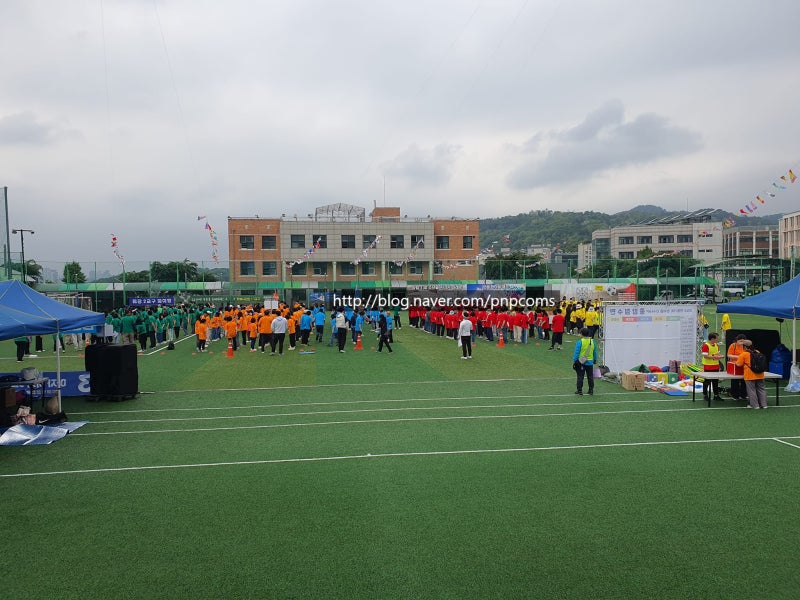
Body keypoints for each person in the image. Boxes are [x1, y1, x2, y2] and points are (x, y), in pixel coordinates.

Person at [736, 340, 767, 409]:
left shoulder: (744, 354)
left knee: (751, 390)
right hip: (760, 374)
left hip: (749, 375)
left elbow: (738, 364)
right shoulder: (757, 352)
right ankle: (764, 404)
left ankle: (755, 405)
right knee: (761, 389)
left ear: (745, 347)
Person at [572, 327, 598, 395]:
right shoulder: (593, 341)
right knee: (590, 377)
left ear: (581, 334)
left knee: (580, 376)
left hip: (581, 362)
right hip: (590, 362)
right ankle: (591, 390)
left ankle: (579, 390)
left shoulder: (580, 342)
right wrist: (595, 359)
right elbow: (595, 352)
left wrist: (574, 360)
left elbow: (576, 352)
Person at [701, 332, 723, 401]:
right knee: (707, 381)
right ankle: (705, 395)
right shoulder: (706, 345)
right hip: (708, 366)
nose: (717, 339)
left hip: (716, 366)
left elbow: (718, 354)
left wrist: (720, 356)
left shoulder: (717, 345)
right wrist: (714, 357)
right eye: (717, 338)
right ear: (712, 339)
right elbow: (705, 356)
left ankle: (716, 395)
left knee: (715, 381)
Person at [726, 333, 748, 401]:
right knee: (735, 381)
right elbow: (729, 355)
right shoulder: (733, 345)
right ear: (737, 340)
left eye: (743, 341)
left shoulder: (745, 346)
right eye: (740, 341)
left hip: (744, 365)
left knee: (744, 381)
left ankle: (743, 395)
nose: (741, 342)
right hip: (734, 365)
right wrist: (739, 357)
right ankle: (735, 395)